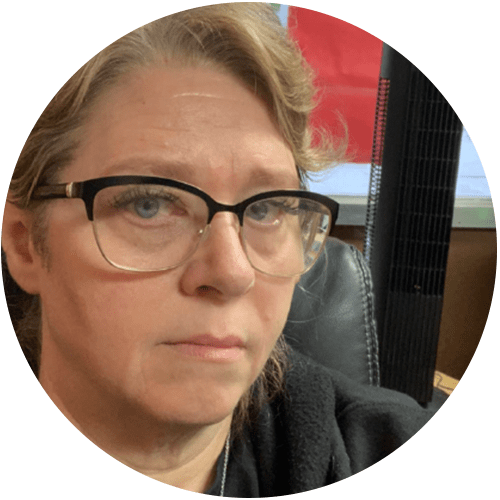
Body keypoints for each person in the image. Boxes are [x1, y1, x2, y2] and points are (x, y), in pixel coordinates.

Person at [2, 3, 432, 496]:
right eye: (149, 204)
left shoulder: (388, 448)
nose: (232, 272)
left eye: (265, 209)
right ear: (25, 244)